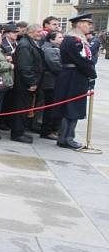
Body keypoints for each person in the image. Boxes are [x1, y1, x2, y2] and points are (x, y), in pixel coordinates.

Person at [54, 14, 97, 150]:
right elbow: (81, 60)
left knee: (71, 108)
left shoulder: (74, 40)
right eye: (87, 23)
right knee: (71, 108)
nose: (89, 26)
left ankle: (66, 137)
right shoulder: (74, 41)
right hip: (73, 77)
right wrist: (92, 73)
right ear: (79, 24)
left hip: (74, 76)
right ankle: (67, 138)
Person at [10, 24, 44, 143]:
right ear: (32, 32)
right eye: (39, 31)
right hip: (24, 84)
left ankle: (20, 131)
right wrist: (32, 82)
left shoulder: (30, 43)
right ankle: (17, 133)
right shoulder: (25, 45)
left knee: (25, 108)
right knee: (21, 108)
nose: (41, 33)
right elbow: (25, 66)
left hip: (28, 82)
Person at [39, 30, 63, 140]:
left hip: (54, 82)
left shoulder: (55, 48)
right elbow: (55, 65)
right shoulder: (49, 49)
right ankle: (47, 131)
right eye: (59, 37)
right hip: (50, 82)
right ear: (51, 39)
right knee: (50, 107)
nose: (62, 39)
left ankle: (52, 129)